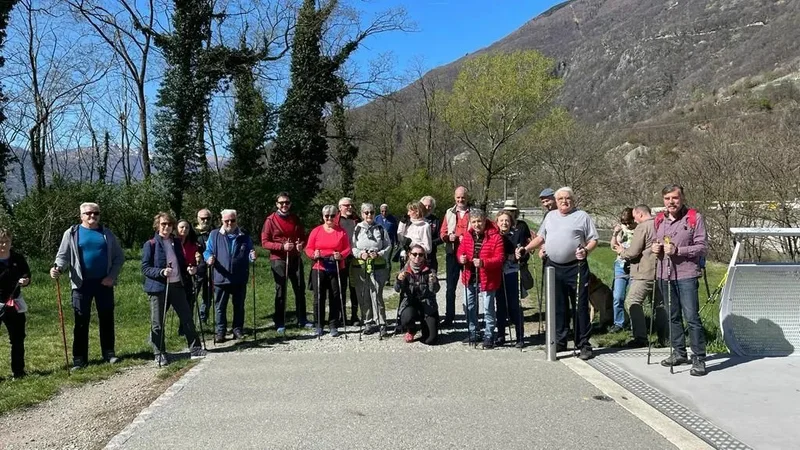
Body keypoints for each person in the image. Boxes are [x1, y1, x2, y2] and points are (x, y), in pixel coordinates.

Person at [524, 187, 598, 360]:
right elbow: (541, 238)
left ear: (573, 199)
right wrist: (526, 249)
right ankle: (560, 341)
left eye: (568, 198)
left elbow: (593, 239)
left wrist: (586, 250)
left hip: (576, 266)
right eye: (561, 199)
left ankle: (584, 344)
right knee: (558, 307)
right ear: (556, 201)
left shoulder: (582, 216)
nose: (564, 201)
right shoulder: (550, 216)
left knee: (580, 306)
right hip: (553, 267)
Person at [50, 202, 124, 371]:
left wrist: (111, 276)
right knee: (81, 320)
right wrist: (57, 268)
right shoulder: (72, 233)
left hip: (104, 283)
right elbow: (62, 256)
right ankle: (79, 358)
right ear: (81, 216)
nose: (92, 216)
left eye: (96, 213)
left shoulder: (107, 233)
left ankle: (109, 353)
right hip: (81, 283)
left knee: (106, 318)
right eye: (89, 213)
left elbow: (119, 258)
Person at [652, 185, 708, 376]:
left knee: (692, 318)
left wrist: (679, 250)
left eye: (674, 198)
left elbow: (701, 247)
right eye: (667, 198)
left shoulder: (694, 218)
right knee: (672, 316)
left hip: (686, 274)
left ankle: (699, 358)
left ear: (682, 198)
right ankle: (679, 352)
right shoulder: (659, 220)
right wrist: (655, 249)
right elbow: (655, 241)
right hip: (664, 273)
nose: (671, 202)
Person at [141, 213, 206, 365]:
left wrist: (190, 269)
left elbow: (181, 263)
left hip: (177, 285)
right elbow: (145, 268)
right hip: (158, 287)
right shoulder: (150, 244)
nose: (166, 227)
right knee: (158, 322)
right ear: (157, 225)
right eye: (163, 224)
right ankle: (159, 353)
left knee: (187, 317)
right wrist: (161, 272)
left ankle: (195, 348)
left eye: (169, 225)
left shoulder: (175, 242)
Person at [617, 205, 667, 348]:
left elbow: (633, 251)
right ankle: (664, 338)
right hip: (660, 271)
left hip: (644, 271)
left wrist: (622, 251)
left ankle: (640, 337)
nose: (634, 220)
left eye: (634, 217)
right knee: (659, 305)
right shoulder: (661, 224)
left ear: (639, 214)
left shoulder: (642, 227)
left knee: (632, 301)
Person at [260, 192, 311, 334]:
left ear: (290, 204)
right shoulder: (270, 220)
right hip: (279, 259)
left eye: (287, 202)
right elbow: (264, 242)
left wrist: (301, 244)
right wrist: (281, 247)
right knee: (281, 290)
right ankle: (280, 321)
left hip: (295, 257)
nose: (284, 205)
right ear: (277, 204)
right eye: (281, 203)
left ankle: (302, 319)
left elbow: (302, 236)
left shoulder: (295, 218)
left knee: (300, 288)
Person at [203, 209, 257, 343]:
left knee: (239, 305)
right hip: (221, 276)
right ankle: (220, 331)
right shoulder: (214, 234)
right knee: (220, 307)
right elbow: (207, 250)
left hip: (239, 276)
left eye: (232, 220)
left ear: (236, 220)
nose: (229, 223)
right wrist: (208, 258)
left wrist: (252, 256)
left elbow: (250, 251)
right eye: (226, 220)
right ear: (222, 221)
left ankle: (237, 329)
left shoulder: (244, 235)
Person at [457, 208, 504, 349]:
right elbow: (460, 251)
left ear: (485, 221)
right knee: (469, 306)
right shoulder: (467, 236)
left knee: (488, 308)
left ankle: (489, 335)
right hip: (470, 277)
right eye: (474, 222)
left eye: (479, 221)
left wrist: (484, 262)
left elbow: (500, 258)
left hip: (487, 278)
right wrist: (461, 258)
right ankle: (474, 331)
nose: (477, 224)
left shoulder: (495, 236)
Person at [306, 205, 352, 337]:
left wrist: (341, 255)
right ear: (323, 217)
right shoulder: (316, 231)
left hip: (336, 266)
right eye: (327, 216)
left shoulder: (341, 232)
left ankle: (333, 324)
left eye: (332, 216)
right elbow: (308, 248)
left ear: (336, 216)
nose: (329, 218)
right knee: (319, 296)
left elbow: (347, 248)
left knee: (335, 296)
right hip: (319, 267)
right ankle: (319, 324)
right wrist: (313, 254)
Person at [352, 203, 392, 336]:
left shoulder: (380, 228)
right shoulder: (357, 228)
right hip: (361, 266)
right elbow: (352, 247)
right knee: (363, 295)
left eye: (371, 212)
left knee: (377, 295)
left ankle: (381, 323)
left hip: (378, 266)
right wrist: (360, 254)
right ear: (362, 214)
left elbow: (388, 246)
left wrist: (379, 254)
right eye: (366, 212)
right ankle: (367, 322)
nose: (369, 215)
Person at [0, 228, 32, 379]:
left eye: (6, 242)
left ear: (11, 242)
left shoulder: (17, 258)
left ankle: (18, 372)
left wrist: (25, 281)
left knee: (18, 338)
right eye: (0, 242)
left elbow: (27, 274)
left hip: (15, 302)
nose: (4, 245)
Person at [439, 186, 471, 328]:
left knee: (470, 286)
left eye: (462, 197)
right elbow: (442, 232)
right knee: (450, 288)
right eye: (458, 197)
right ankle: (449, 317)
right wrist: (447, 237)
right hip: (452, 253)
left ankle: (471, 317)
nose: (460, 200)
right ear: (454, 198)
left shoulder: (474, 212)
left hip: (468, 254)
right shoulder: (449, 213)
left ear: (467, 197)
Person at [396, 244, 440, 345]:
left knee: (431, 340)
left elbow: (435, 290)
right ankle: (411, 330)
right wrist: (399, 280)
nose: (417, 257)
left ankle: (425, 326)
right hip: (410, 304)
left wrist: (433, 282)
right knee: (406, 319)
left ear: (424, 256)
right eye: (414, 254)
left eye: (420, 255)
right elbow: (397, 289)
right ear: (409, 255)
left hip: (427, 305)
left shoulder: (429, 270)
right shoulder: (404, 270)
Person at [495, 211, 525, 348]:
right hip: (497, 273)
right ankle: (501, 334)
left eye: (506, 220)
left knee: (514, 305)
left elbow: (523, 254)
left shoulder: (516, 235)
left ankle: (520, 336)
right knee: (500, 305)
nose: (504, 223)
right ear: (497, 222)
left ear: (511, 222)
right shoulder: (494, 236)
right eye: (501, 221)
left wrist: (518, 255)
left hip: (512, 272)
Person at [610, 207, 636, 333]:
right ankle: (618, 323)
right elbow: (613, 246)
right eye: (625, 223)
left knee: (632, 298)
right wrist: (615, 234)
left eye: (629, 222)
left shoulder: (639, 229)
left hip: (634, 266)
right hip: (620, 265)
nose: (627, 225)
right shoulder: (622, 229)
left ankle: (634, 323)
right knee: (618, 296)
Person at [335, 197, 361, 326]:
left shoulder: (357, 220)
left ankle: (355, 316)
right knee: (341, 287)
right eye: (346, 205)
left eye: (351, 205)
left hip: (355, 257)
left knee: (354, 287)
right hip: (341, 258)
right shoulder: (335, 220)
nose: (350, 207)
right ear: (340, 207)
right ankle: (342, 316)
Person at [502, 200, 533, 297]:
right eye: (508, 211)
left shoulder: (522, 225)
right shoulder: (504, 224)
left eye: (512, 211)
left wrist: (530, 246)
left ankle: (518, 309)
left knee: (521, 289)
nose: (510, 213)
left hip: (521, 260)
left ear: (516, 212)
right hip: (508, 259)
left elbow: (528, 238)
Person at [176, 219, 201, 335]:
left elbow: (196, 261)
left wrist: (195, 265)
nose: (184, 230)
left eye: (186, 227)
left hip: (188, 276)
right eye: (181, 227)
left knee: (188, 303)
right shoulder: (173, 242)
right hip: (175, 275)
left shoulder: (193, 244)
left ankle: (185, 328)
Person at [195, 209, 213, 324]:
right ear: (197, 219)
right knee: (193, 294)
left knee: (208, 295)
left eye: (208, 218)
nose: (205, 220)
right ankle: (187, 322)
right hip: (196, 269)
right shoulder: (192, 233)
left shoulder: (215, 232)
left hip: (211, 268)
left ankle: (203, 318)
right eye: (203, 218)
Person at [375, 204, 399, 275]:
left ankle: (387, 278)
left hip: (390, 242)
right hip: (379, 242)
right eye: (382, 211)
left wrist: (397, 242)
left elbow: (396, 231)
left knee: (387, 260)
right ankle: (380, 275)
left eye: (385, 211)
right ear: (380, 211)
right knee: (379, 259)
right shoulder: (377, 219)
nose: (384, 213)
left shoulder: (392, 219)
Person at [420, 196, 442, 272]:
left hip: (431, 256)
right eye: (425, 205)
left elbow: (441, 237)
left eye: (429, 206)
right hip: (417, 256)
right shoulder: (415, 219)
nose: (427, 208)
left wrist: (430, 243)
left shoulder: (436, 220)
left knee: (432, 280)